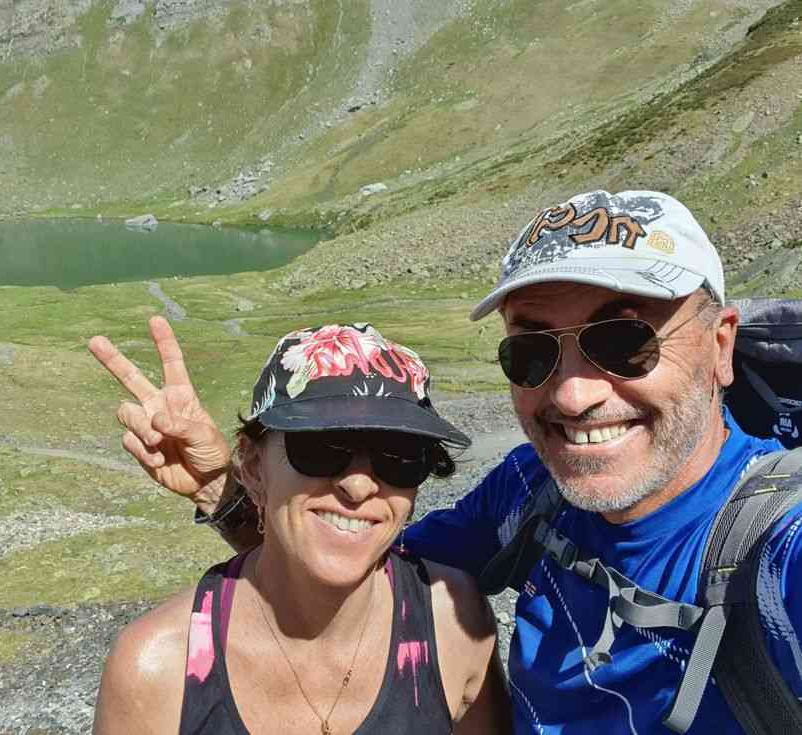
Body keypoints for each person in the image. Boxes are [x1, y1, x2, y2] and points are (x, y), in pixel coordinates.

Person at [94, 190, 802, 733]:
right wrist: (232, 487)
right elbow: (352, 571)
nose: (573, 394)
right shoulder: (531, 490)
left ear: (719, 345)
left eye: (625, 342)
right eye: (532, 352)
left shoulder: (782, 550)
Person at [90, 323, 512, 734]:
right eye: (321, 447)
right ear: (253, 464)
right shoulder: (157, 667)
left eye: (399, 456)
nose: (358, 485)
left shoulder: (454, 624)